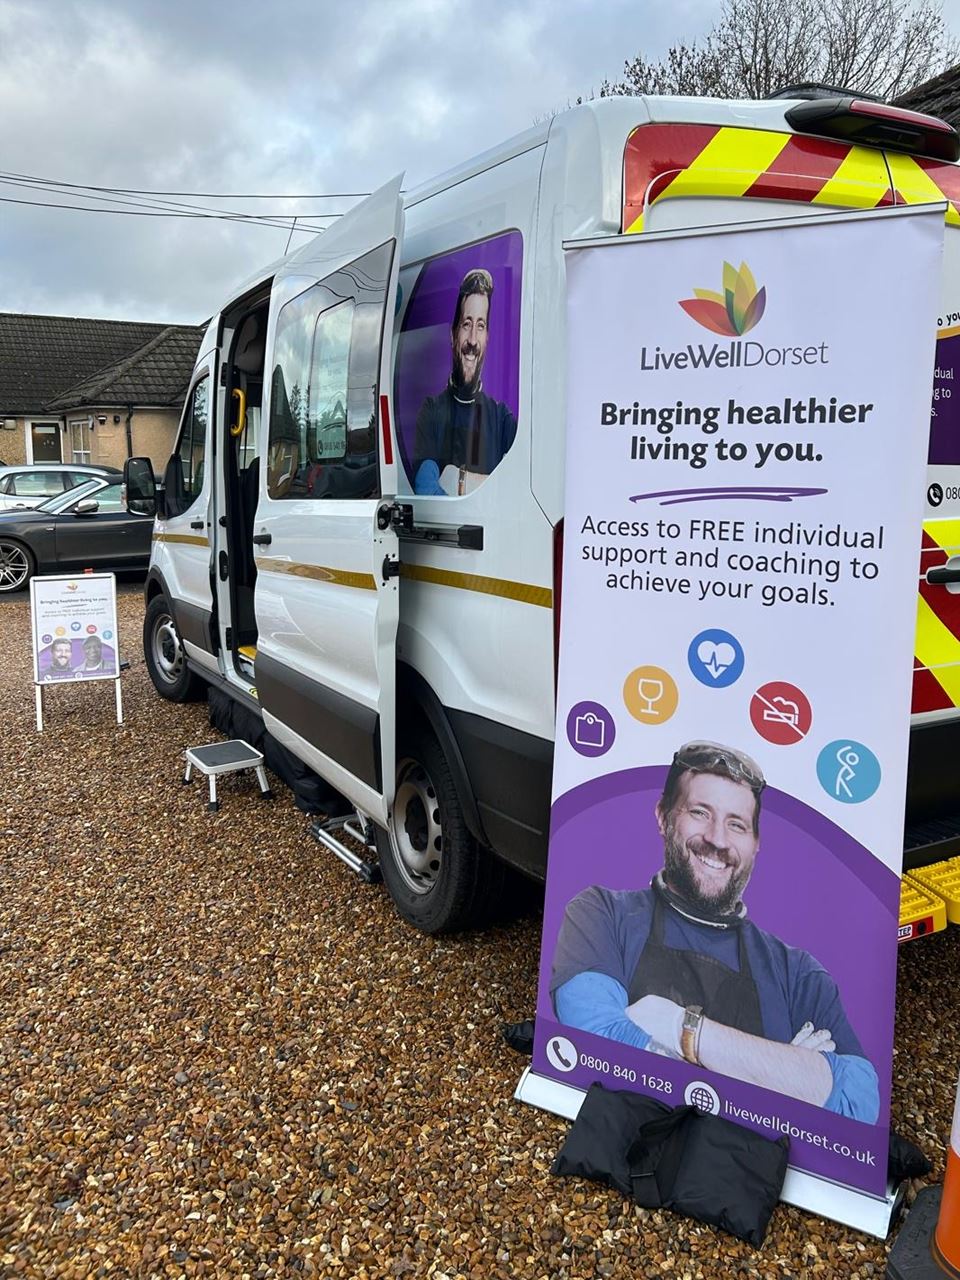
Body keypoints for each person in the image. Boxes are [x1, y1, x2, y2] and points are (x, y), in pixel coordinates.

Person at [550, 740, 880, 1122]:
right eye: (700, 812)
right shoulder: (600, 914)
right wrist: (788, 1072)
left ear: (756, 844)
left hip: (747, 1176)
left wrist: (679, 1027)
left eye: (736, 824)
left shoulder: (798, 973)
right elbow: (596, 1041)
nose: (718, 839)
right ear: (663, 817)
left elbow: (860, 1105)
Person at [412, 268, 517, 495]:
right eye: (466, 324)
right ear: (453, 334)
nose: (472, 341)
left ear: (487, 338)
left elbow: (518, 488)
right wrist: (489, 486)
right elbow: (425, 487)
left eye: (480, 326)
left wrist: (455, 479)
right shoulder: (431, 411)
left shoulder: (501, 418)